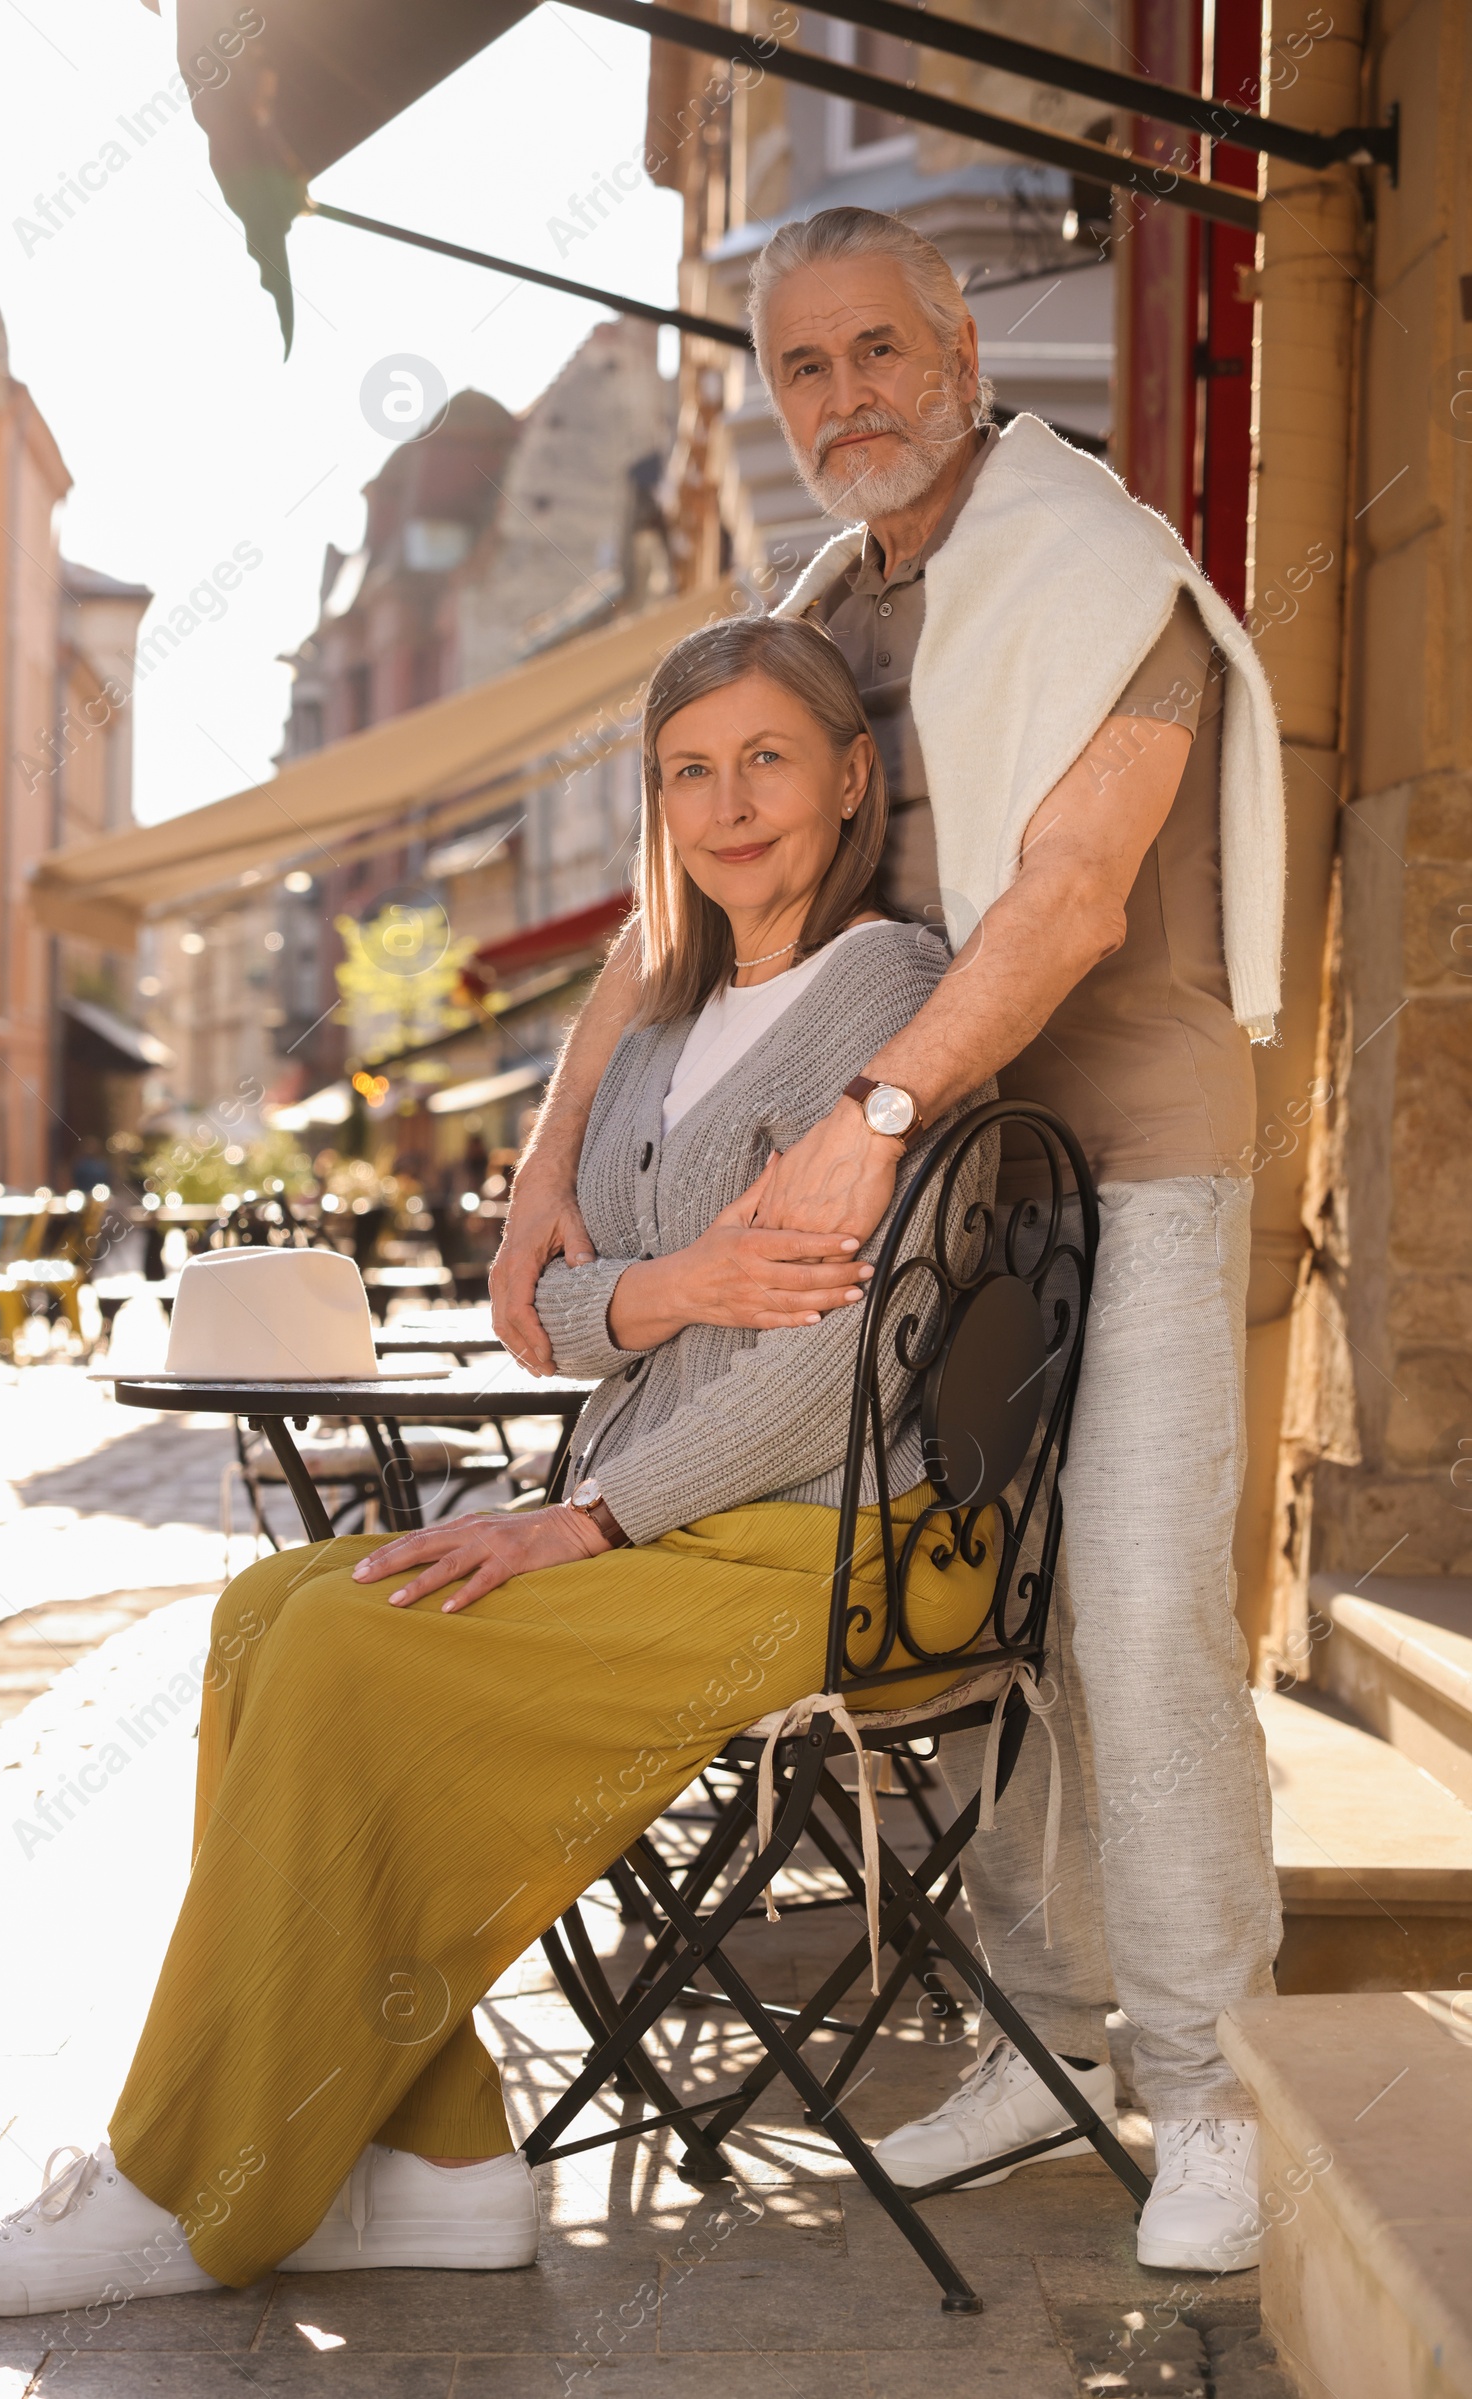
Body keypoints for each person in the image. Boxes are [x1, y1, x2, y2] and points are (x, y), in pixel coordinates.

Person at [0, 617, 998, 2318]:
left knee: (349, 1638)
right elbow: (549, 1324)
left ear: (854, 775)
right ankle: (440, 2168)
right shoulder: (654, 1028)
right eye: (689, 772)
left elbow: (846, 1362)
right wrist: (662, 1289)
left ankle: (193, 2181)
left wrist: (591, 1512)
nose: (729, 806)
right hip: (678, 1513)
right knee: (270, 1606)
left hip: (839, 1531)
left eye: (769, 759)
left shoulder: (892, 998)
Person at [491, 207, 1286, 2276]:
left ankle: (1203, 2093)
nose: (842, 398)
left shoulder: (1102, 573)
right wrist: (545, 1156)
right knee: (992, 1625)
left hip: (1116, 1163)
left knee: (1125, 1612)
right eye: (800, 370)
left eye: (873, 350)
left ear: (954, 344)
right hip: (927, 1195)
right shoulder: (822, 608)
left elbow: (1068, 895)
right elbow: (686, 883)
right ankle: (1050, 2041)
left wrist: (865, 1118)